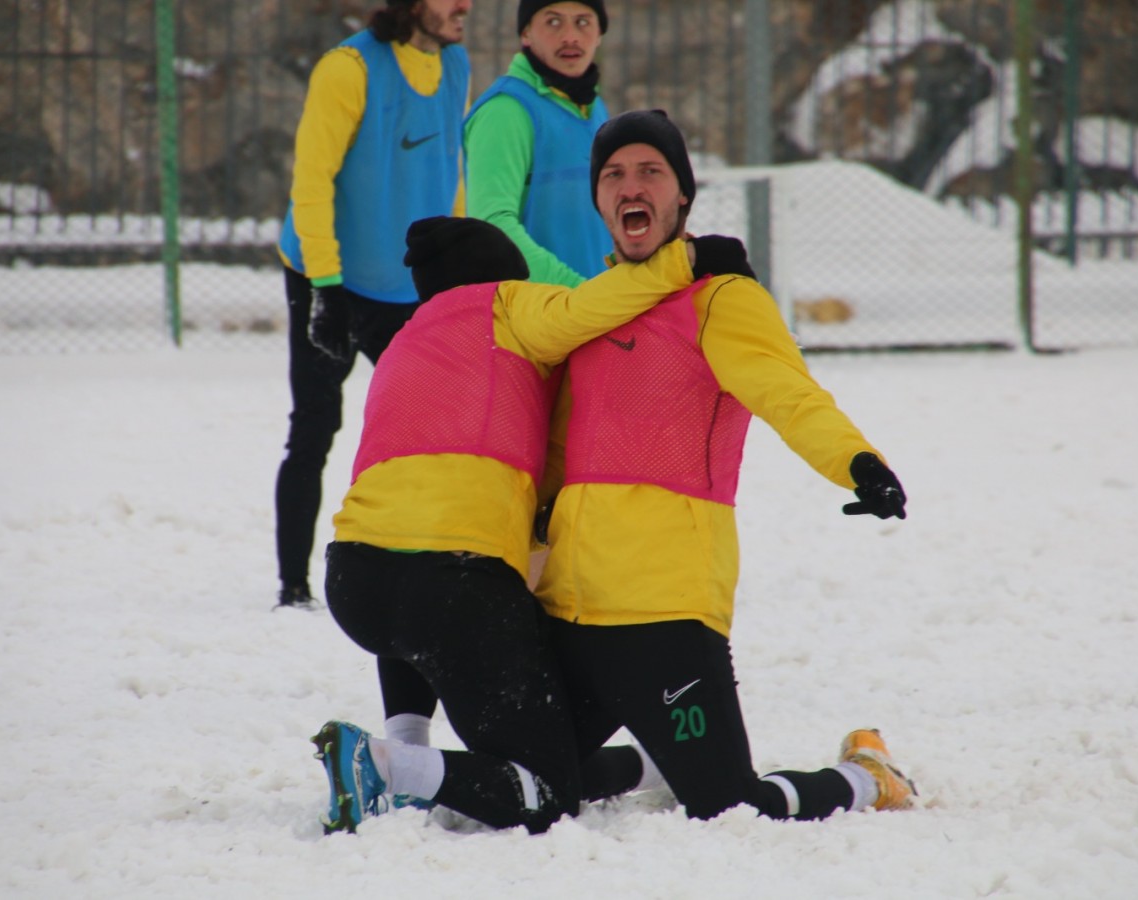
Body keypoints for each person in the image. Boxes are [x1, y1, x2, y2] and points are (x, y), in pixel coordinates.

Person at [311, 216, 755, 834]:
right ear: (507, 278)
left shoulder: (405, 343)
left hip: (353, 580)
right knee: (544, 790)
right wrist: (688, 262)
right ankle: (390, 769)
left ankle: (405, 749)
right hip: (452, 585)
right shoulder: (510, 305)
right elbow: (596, 305)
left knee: (411, 584)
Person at [535, 109, 919, 822]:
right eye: (614, 175)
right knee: (537, 781)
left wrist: (857, 462)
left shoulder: (720, 299)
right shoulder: (592, 309)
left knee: (725, 804)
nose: (631, 186)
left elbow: (788, 393)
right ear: (596, 199)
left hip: (665, 606)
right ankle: (657, 760)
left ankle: (866, 778)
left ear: (681, 196)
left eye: (651, 171)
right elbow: (556, 448)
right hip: (569, 602)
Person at [273, 0, 472, 751]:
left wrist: (450, 270)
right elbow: (312, 180)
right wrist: (324, 287)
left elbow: (449, 171)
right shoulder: (347, 68)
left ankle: (430, 553)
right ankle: (292, 585)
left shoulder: (454, 63)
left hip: (404, 289)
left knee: (429, 431)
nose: (465, 7)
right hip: (327, 275)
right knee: (315, 426)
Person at [463, 1, 611, 286]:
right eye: (553, 22)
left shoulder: (593, 107)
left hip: (599, 310)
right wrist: (576, 292)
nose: (570, 36)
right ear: (526, 33)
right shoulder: (505, 111)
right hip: (543, 314)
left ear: (600, 34)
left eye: (583, 22)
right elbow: (492, 225)